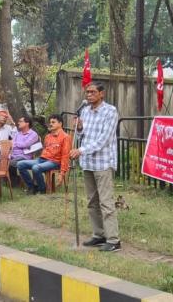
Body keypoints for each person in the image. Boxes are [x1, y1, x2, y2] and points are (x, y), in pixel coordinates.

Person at [70, 82, 121, 252]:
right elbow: (82, 135)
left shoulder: (110, 111)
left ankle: (114, 240)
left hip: (103, 162)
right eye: (87, 92)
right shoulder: (84, 111)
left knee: (106, 202)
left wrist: (81, 150)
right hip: (88, 163)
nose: (89, 95)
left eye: (92, 92)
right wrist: (78, 128)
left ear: (101, 94)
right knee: (92, 202)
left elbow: (103, 139)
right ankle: (99, 235)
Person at [17, 114, 71, 195]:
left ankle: (42, 189)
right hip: (42, 160)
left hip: (55, 162)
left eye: (53, 122)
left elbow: (65, 156)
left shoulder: (65, 137)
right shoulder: (48, 136)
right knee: (20, 164)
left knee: (36, 168)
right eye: (50, 122)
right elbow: (45, 149)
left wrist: (62, 173)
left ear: (60, 124)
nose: (51, 124)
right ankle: (32, 187)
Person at [10, 116, 40, 183]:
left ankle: (16, 182)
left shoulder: (33, 134)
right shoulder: (18, 134)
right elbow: (11, 144)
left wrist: (15, 144)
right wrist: (16, 144)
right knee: (2, 161)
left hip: (24, 156)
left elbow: (25, 144)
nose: (18, 123)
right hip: (13, 155)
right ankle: (14, 181)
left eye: (20, 121)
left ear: (27, 123)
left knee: (11, 163)